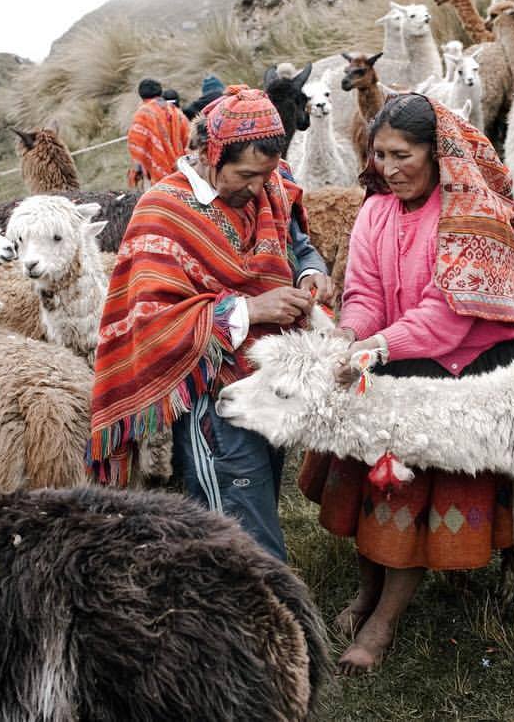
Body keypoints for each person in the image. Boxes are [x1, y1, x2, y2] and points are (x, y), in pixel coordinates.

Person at [299, 93, 514, 673]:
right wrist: (347, 333)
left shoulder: (471, 218)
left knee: (407, 496)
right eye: (379, 155)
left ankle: (383, 621)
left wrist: (375, 348)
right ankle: (369, 588)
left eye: (403, 155)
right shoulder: (376, 210)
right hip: (397, 354)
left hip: (461, 370)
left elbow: (449, 317)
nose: (389, 168)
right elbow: (366, 291)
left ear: (437, 153)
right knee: (367, 482)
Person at [90, 85, 333, 561]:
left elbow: (296, 243)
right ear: (208, 153)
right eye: (245, 174)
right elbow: (152, 322)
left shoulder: (272, 186)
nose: (258, 188)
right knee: (239, 525)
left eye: (266, 175)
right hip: (212, 396)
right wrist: (251, 310)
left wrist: (311, 272)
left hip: (270, 380)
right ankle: (264, 618)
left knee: (256, 495)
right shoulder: (163, 212)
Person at [126, 78, 189, 189]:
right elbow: (188, 139)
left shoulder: (143, 114)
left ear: (141, 95)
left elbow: (136, 144)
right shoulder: (176, 111)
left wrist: (136, 171)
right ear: (160, 92)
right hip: (180, 171)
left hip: (155, 173)